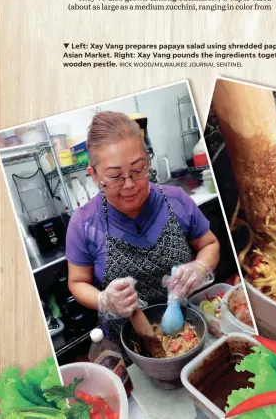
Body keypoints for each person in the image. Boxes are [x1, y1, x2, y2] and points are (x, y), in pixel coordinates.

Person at [65, 111, 219, 338]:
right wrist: (103, 299)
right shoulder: (84, 223)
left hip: (190, 329)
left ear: (148, 160)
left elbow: (210, 244)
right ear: (95, 176)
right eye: (115, 177)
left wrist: (199, 268)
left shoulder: (176, 200)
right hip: (127, 342)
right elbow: (77, 282)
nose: (129, 185)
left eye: (138, 170)